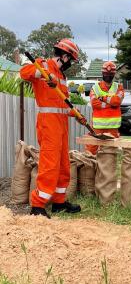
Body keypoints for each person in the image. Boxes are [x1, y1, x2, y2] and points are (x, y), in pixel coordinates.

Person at [20, 38, 86, 218]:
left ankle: (59, 202)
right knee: (50, 165)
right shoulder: (43, 65)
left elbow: (63, 103)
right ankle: (38, 205)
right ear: (64, 56)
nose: (70, 64)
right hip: (48, 125)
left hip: (62, 125)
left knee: (64, 165)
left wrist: (76, 114)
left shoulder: (62, 78)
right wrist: (42, 75)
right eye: (71, 60)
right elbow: (24, 73)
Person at [85, 61, 124, 155]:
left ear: (114, 74)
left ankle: (106, 169)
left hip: (113, 128)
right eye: (106, 73)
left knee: (110, 154)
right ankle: (90, 167)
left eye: (110, 74)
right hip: (97, 127)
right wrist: (110, 104)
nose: (108, 75)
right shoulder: (95, 87)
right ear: (102, 73)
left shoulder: (119, 87)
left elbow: (117, 101)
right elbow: (94, 103)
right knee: (90, 151)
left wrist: (102, 98)